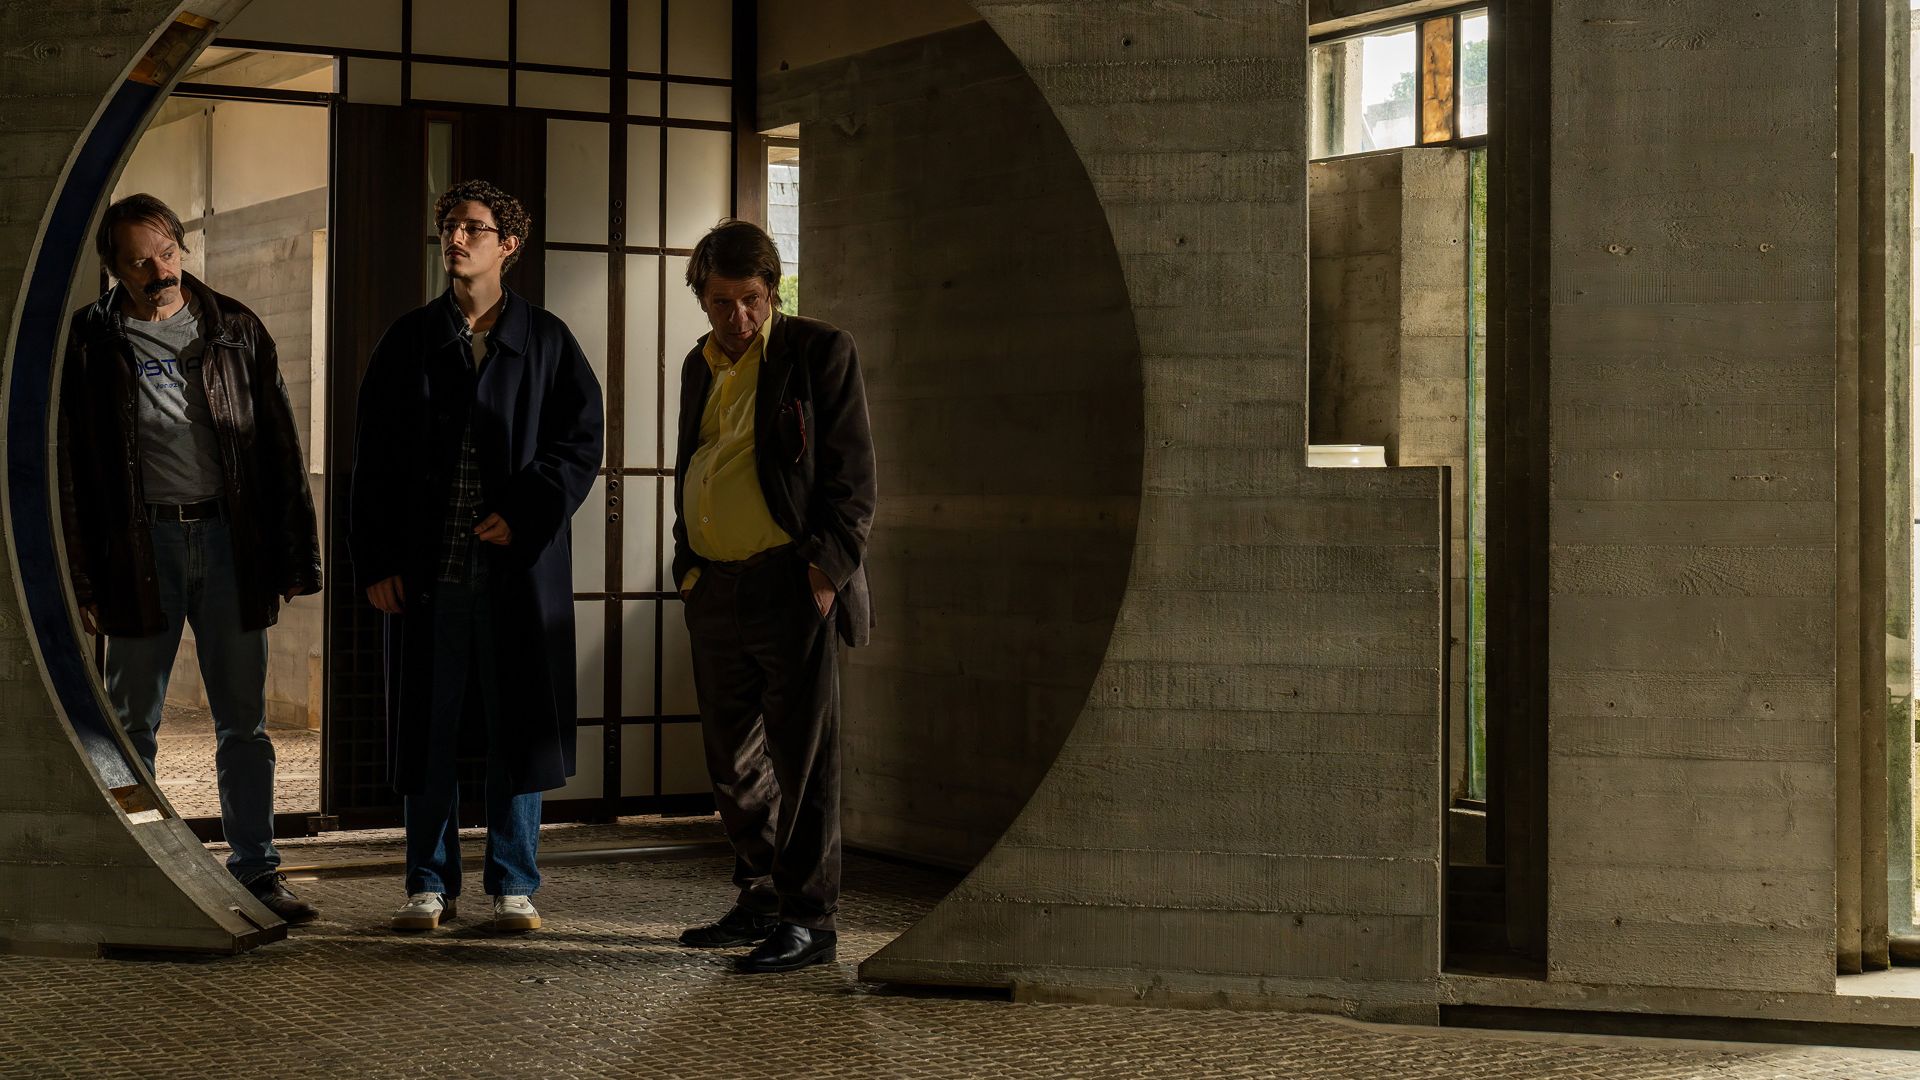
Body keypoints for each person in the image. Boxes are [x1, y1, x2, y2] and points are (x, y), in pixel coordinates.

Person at [58, 193, 323, 923]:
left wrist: (295, 556)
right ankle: (137, 866)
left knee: (244, 724)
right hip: (139, 548)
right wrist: (80, 576)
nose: (160, 272)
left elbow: (278, 445)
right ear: (114, 268)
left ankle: (258, 871)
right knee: (130, 724)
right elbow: (68, 466)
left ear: (181, 247)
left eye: (167, 253)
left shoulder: (234, 327)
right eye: (140, 262)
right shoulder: (88, 340)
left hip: (231, 545)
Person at [348, 180, 602, 934]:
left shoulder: (546, 340)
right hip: (430, 576)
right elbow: (373, 462)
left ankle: (514, 884)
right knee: (427, 728)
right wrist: (377, 561)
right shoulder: (409, 340)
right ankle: (427, 884)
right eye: (450, 226)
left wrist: (524, 513)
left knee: (517, 728)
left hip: (516, 576)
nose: (456, 239)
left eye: (474, 228)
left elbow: (580, 444)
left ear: (509, 245)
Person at [672, 220, 875, 973]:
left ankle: (809, 919)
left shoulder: (819, 350)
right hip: (714, 584)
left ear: (773, 291)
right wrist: (687, 566)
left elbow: (854, 478)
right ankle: (761, 894)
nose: (738, 317)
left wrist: (824, 572)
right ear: (702, 297)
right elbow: (696, 459)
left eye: (752, 300)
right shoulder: (698, 363)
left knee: (804, 760)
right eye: (722, 302)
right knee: (732, 761)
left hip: (792, 583)